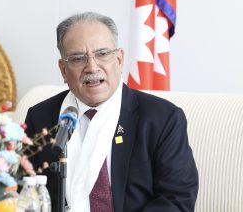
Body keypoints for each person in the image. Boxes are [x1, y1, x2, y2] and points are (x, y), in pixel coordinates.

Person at [24, 12, 198, 212]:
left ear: (119, 59)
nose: (91, 66)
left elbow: (177, 199)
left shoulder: (162, 119)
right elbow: (22, 190)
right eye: (78, 58)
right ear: (63, 69)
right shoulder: (40, 117)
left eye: (102, 54)